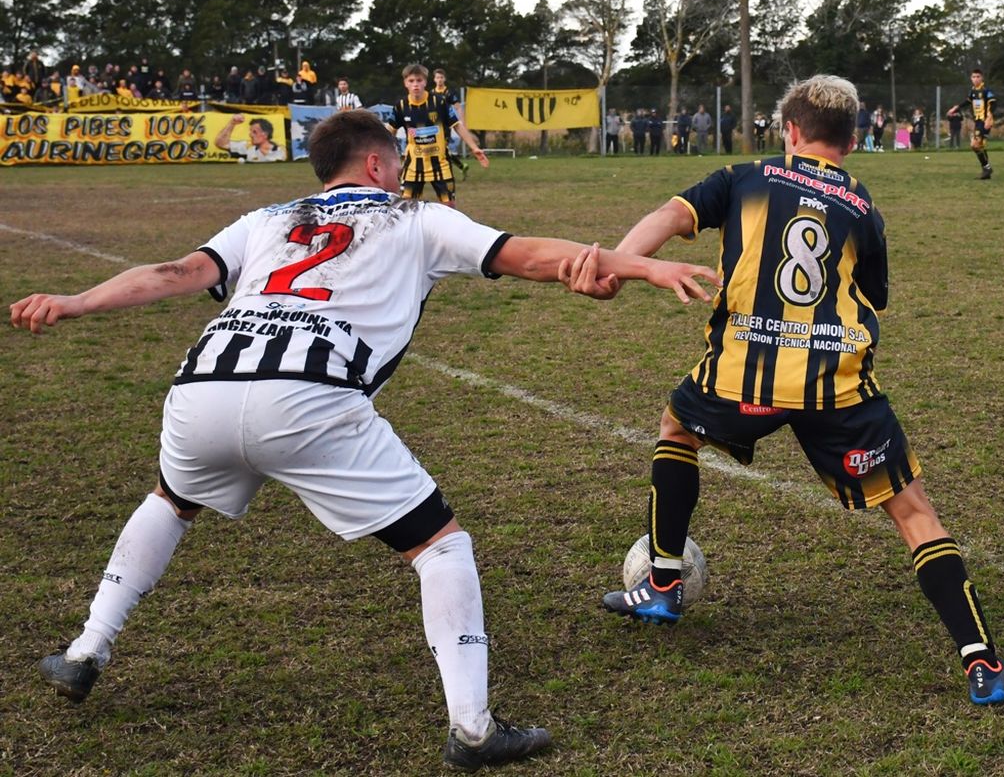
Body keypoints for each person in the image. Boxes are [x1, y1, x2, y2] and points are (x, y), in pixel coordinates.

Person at [12, 110, 718, 770]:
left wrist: (75, 301)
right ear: (379, 165)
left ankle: (85, 650)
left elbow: (175, 274)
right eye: (400, 161)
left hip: (203, 388)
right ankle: (473, 728)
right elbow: (527, 253)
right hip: (310, 397)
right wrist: (642, 266)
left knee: (170, 500)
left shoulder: (265, 219)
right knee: (440, 545)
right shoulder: (416, 217)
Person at [598, 75, 1004, 707]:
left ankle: (663, 584)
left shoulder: (742, 177)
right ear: (853, 141)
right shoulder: (863, 209)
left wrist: (619, 263)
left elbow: (669, 217)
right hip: (836, 385)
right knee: (913, 512)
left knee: (676, 429)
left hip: (740, 372)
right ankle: (983, 665)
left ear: (791, 131)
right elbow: (875, 295)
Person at [390, 63, 488, 205]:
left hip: (440, 164)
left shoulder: (439, 102)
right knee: (406, 209)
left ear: (425, 82)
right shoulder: (401, 106)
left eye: (419, 80)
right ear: (405, 83)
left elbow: (457, 126)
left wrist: (474, 147)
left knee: (449, 207)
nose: (415, 85)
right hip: (413, 165)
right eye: (411, 81)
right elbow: (388, 133)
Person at [946, 69, 994, 179]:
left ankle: (986, 168)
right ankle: (986, 171)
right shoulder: (973, 91)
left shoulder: (986, 91)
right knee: (980, 145)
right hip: (978, 121)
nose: (976, 79)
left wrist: (989, 118)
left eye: (978, 76)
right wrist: (955, 108)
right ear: (971, 79)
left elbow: (993, 104)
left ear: (982, 78)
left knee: (974, 144)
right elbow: (967, 101)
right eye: (973, 77)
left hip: (984, 121)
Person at [214, 114, 282, 162]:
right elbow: (220, 143)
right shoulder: (247, 147)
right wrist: (232, 123)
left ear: (265, 135)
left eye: (254, 132)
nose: (250, 135)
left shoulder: (279, 149)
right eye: (250, 132)